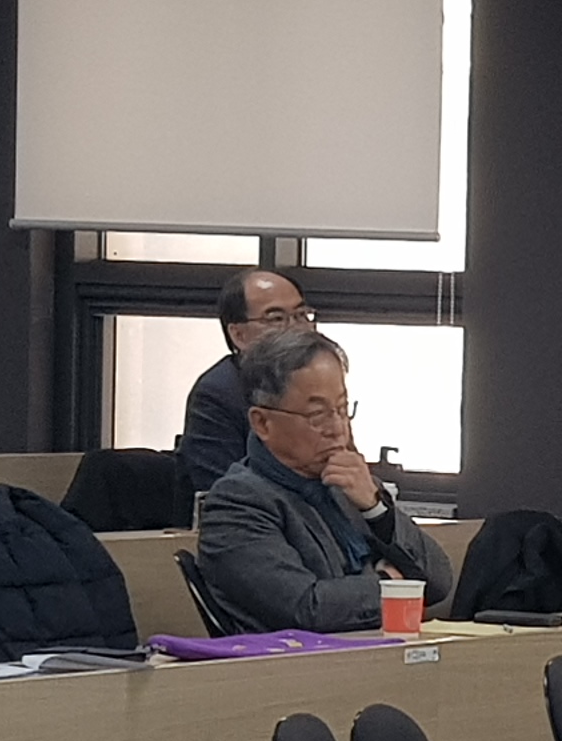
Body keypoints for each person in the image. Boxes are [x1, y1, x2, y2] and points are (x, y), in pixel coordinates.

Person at [194, 327, 443, 633]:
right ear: (262, 423)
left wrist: (377, 510)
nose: (337, 428)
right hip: (297, 661)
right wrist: (390, 584)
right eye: (317, 415)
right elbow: (307, 609)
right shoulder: (237, 504)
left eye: (342, 409)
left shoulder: (352, 486)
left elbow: (439, 582)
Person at [176, 268, 316, 496]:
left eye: (301, 315)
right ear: (239, 335)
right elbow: (224, 491)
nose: (296, 329)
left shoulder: (316, 383)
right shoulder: (217, 394)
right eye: (277, 319)